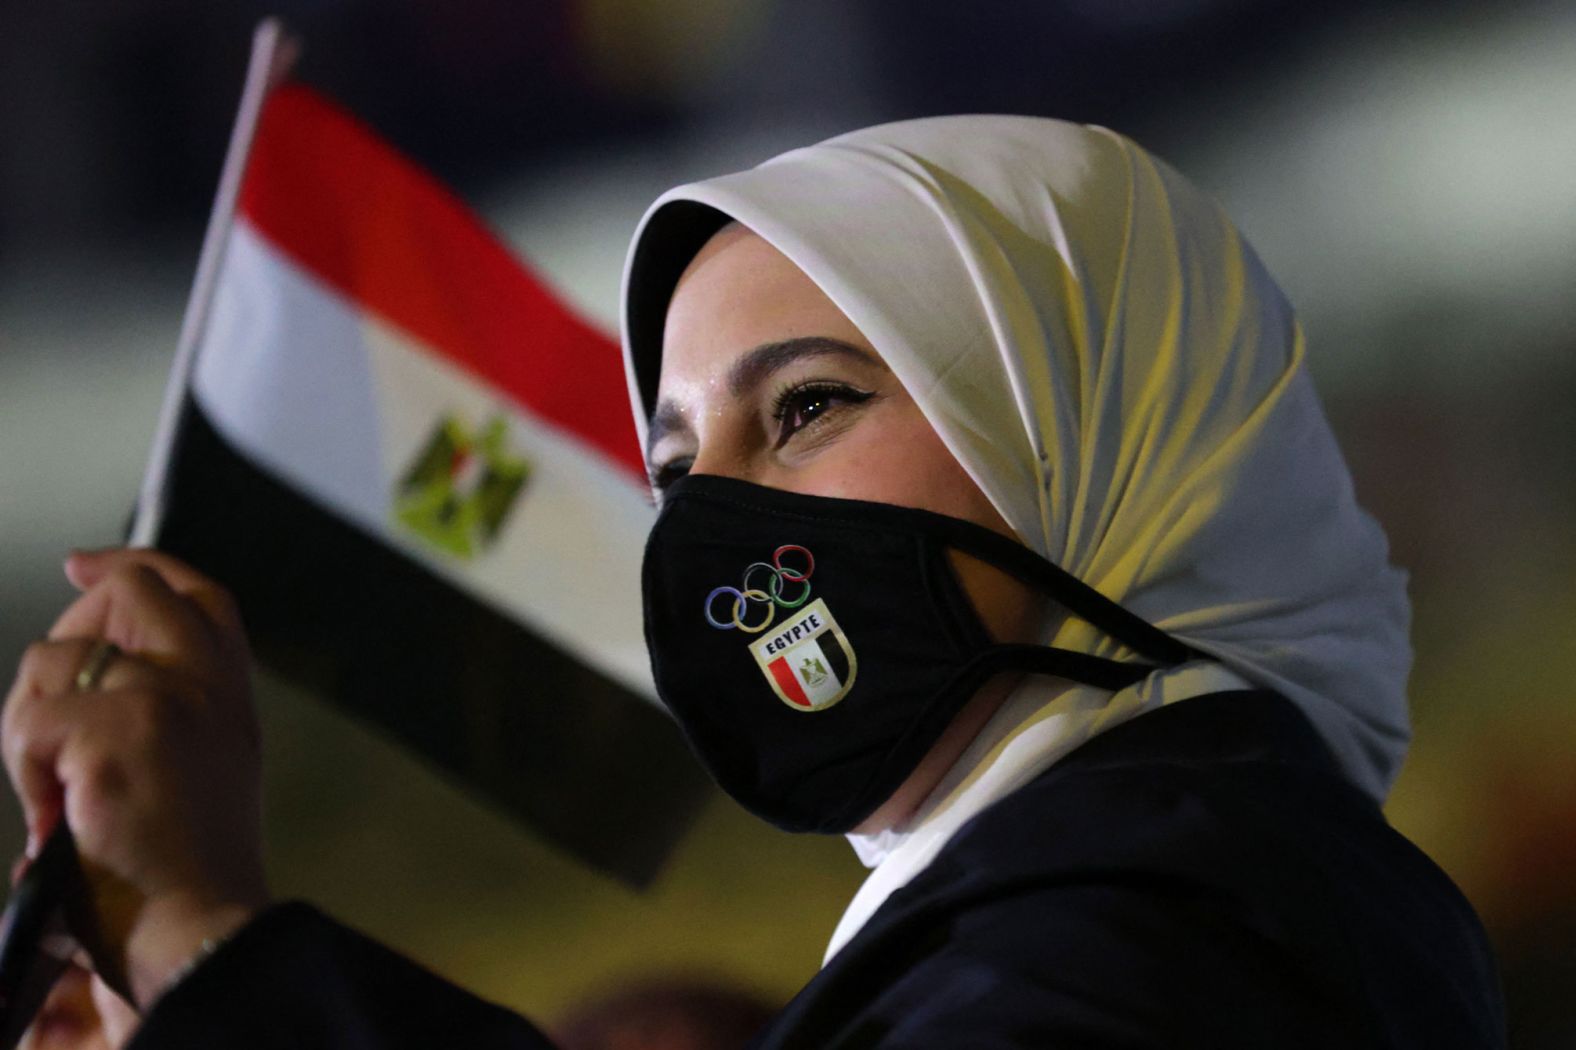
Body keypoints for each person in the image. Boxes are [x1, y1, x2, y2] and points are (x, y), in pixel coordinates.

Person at [2, 115, 1505, 1047]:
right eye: (678, 473)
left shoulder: (1193, 923)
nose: (719, 532)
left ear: (1096, 426)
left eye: (806, 408)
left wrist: (212, 951)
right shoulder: (1101, 905)